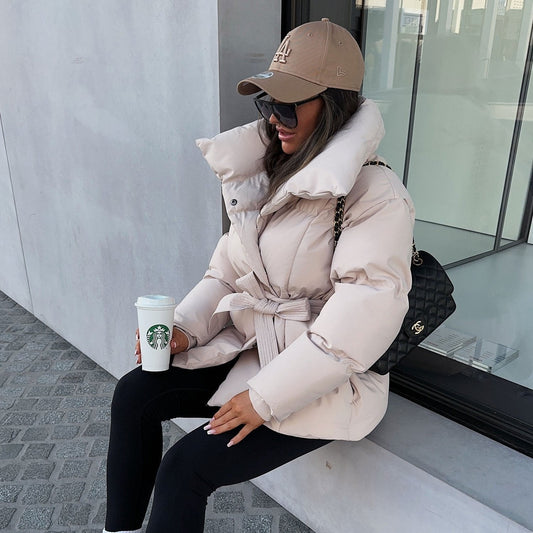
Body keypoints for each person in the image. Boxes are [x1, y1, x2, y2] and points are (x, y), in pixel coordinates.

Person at [103, 18, 414, 533]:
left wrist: (265, 398)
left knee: (184, 469)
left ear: (334, 106)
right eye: (269, 103)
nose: (274, 118)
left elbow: (356, 327)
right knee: (135, 394)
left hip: (328, 381)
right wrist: (184, 329)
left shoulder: (376, 196)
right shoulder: (270, 171)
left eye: (289, 106)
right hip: (258, 350)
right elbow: (226, 272)